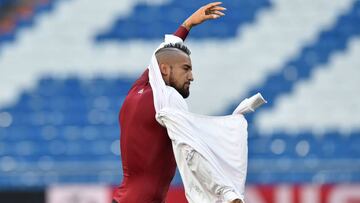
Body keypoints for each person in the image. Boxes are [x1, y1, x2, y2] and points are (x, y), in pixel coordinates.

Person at [112, 2, 229, 203]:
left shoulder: (137, 90)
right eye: (186, 69)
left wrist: (187, 24)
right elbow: (193, 151)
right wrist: (227, 192)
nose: (191, 77)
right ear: (165, 70)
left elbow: (160, 56)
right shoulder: (165, 100)